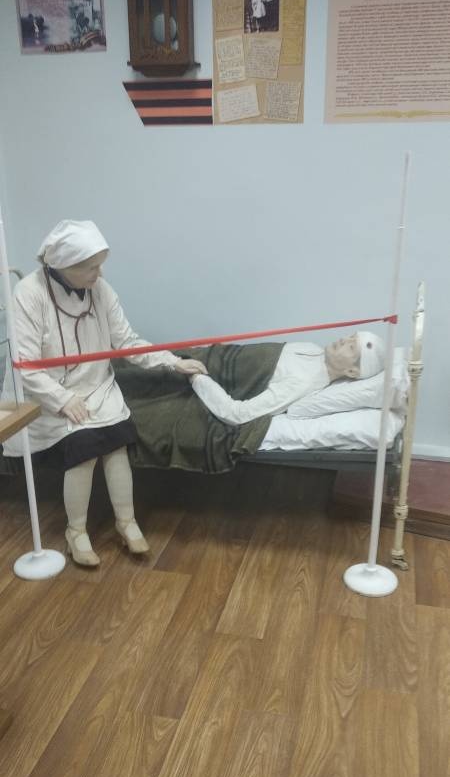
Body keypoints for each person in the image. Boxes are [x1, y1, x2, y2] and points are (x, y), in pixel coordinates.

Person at [1, 220, 207, 567]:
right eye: (91, 267)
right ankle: (76, 532)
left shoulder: (100, 288)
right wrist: (63, 399)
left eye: (100, 265)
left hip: (96, 385)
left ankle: (127, 523)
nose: (100, 273)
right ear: (64, 265)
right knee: (84, 446)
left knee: (116, 443)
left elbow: (126, 341)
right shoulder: (28, 295)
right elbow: (26, 367)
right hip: (47, 395)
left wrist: (173, 362)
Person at [189, 332, 385, 426]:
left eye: (351, 347)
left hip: (197, 374)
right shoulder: (311, 348)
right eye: (350, 337)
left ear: (352, 372)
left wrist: (196, 377)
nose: (343, 340)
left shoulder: (303, 383)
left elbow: (238, 414)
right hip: (209, 356)